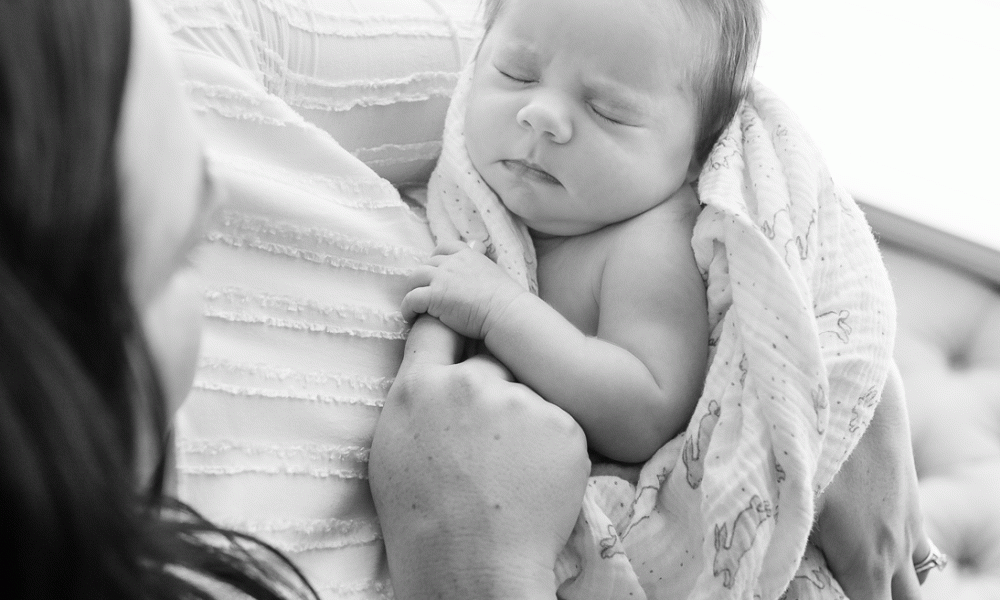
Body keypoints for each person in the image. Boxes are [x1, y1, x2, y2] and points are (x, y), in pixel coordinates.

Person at [7, 0, 928, 599]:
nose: (537, 114)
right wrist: (478, 571)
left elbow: (660, 66)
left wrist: (830, 344)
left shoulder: (150, 40)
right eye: (171, 257)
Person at [0, 0, 589, 598]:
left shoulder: (158, 45)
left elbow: (586, 69)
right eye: (184, 254)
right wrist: (476, 573)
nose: (222, 207)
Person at [401, 0, 718, 464]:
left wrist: (500, 309)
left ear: (697, 153)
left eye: (609, 111)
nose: (541, 114)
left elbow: (646, 412)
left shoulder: (647, 242)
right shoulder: (462, 182)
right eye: (516, 73)